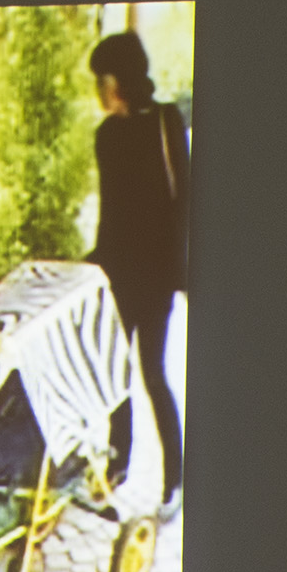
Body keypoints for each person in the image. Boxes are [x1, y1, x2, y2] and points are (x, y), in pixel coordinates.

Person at [85, 30, 186, 502]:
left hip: (158, 277)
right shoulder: (106, 136)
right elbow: (111, 213)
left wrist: (180, 272)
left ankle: (175, 479)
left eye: (101, 80)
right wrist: (94, 268)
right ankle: (119, 459)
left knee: (152, 374)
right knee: (113, 373)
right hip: (120, 278)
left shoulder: (166, 122)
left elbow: (185, 201)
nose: (98, 90)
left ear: (118, 81)